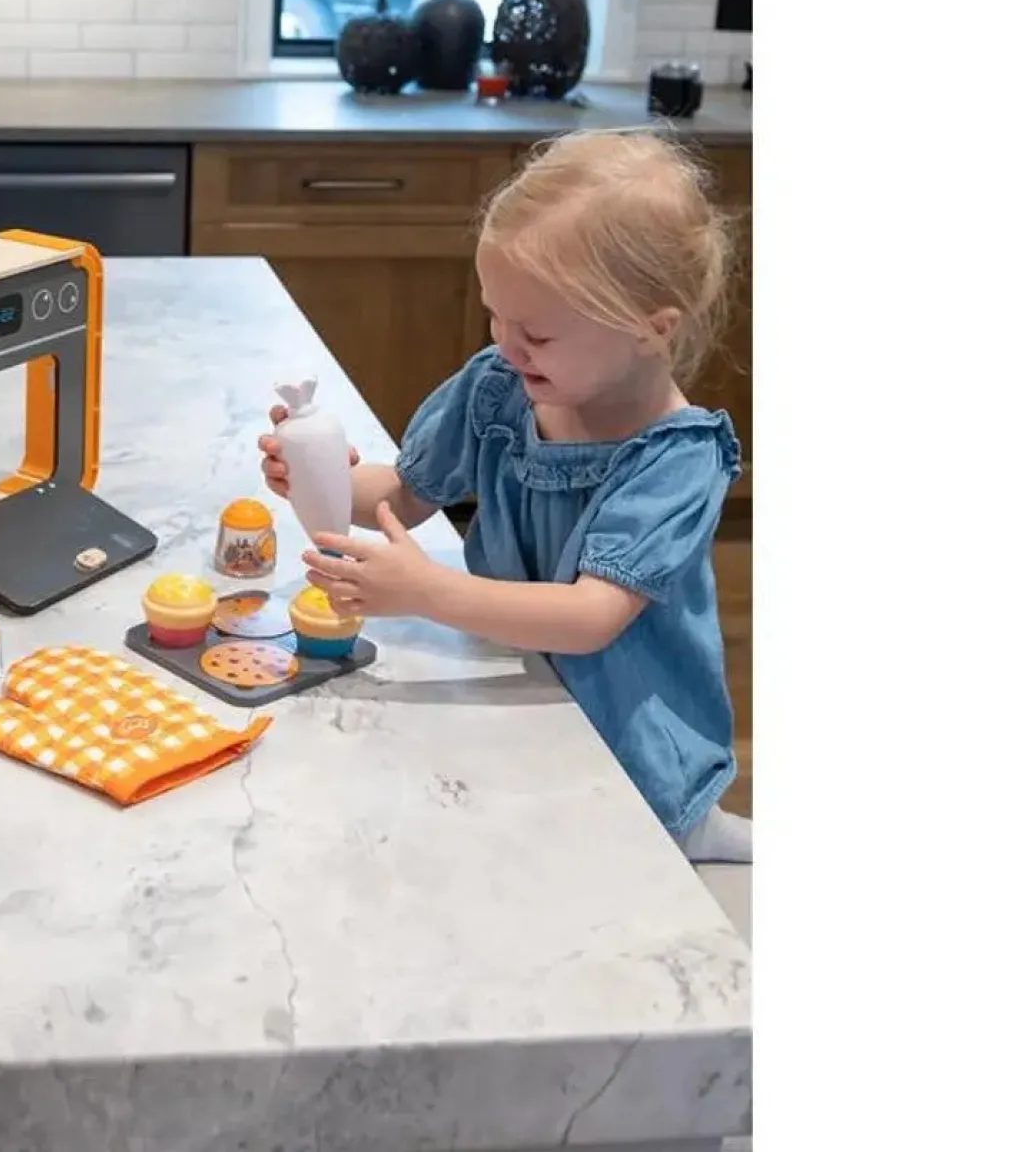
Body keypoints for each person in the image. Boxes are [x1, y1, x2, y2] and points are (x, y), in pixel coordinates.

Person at [259, 130, 751, 865]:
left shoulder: (675, 461)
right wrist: (318, 472)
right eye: (497, 315)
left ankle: (698, 828)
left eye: (538, 334)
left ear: (651, 331)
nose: (508, 345)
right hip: (518, 676)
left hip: (626, 735)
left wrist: (427, 590)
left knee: (614, 856)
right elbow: (403, 495)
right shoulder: (502, 385)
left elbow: (590, 618)